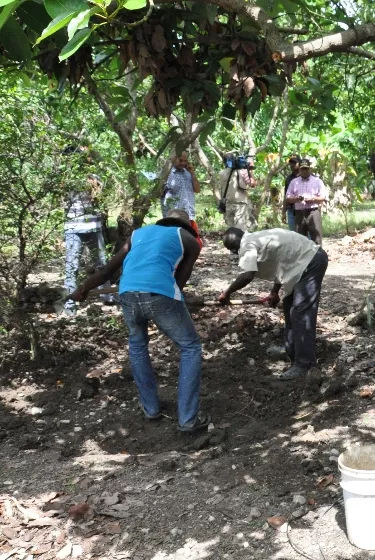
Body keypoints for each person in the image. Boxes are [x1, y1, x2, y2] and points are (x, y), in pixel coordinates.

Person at [69, 209, 211, 433]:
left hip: (127, 293)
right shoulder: (190, 241)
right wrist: (181, 301)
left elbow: (107, 270)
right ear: (187, 226)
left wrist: (83, 289)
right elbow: (179, 283)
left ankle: (151, 408)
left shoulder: (138, 235)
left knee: (137, 346)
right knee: (190, 347)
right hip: (159, 294)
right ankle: (188, 420)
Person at [217, 227, 328, 380]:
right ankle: (292, 350)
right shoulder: (257, 238)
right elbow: (280, 264)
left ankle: (305, 364)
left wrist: (227, 292)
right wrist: (274, 292)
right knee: (290, 307)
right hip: (302, 263)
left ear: (234, 249)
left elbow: (247, 275)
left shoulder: (247, 246)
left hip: (310, 262)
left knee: (300, 313)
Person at [63, 167, 113, 316]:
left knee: (102, 263)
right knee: (72, 265)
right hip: (73, 227)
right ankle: (70, 302)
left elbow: (100, 192)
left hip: (93, 226)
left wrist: (94, 183)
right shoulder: (66, 175)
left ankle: (107, 294)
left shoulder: (94, 174)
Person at [161, 152, 202, 248]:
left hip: (189, 215)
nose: (183, 163)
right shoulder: (166, 174)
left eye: (185, 160)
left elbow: (197, 190)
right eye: (180, 160)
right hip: (173, 218)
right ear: (174, 159)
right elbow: (158, 193)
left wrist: (192, 173)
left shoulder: (188, 173)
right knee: (175, 245)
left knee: (193, 245)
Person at [286, 158, 327, 245]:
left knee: (316, 237)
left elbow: (323, 197)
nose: (304, 171)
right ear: (299, 169)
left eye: (306, 169)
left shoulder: (317, 181)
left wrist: (312, 198)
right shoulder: (294, 182)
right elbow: (288, 197)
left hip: (313, 212)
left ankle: (318, 257)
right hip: (299, 213)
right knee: (301, 239)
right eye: (302, 169)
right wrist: (297, 199)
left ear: (310, 169)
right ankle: (305, 258)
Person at [217, 154, 256, 233]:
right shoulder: (242, 172)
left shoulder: (221, 173)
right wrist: (251, 171)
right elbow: (252, 184)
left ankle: (232, 243)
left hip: (228, 203)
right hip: (240, 203)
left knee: (231, 228)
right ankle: (240, 244)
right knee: (240, 229)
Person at [282, 155, 301, 231]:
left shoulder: (305, 177)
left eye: (294, 162)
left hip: (303, 209)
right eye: (290, 163)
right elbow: (286, 196)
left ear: (299, 163)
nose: (292, 165)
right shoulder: (289, 179)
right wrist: (283, 212)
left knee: (305, 234)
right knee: (293, 233)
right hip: (291, 210)